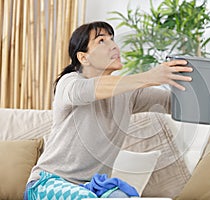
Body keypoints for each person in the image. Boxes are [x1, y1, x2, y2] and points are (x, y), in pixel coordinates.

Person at [24, 21, 192, 199]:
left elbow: (178, 105)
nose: (114, 46)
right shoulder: (69, 83)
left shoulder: (128, 95)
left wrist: (207, 84)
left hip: (95, 186)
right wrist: (149, 76)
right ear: (83, 58)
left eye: (112, 39)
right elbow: (90, 90)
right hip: (49, 183)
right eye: (101, 41)